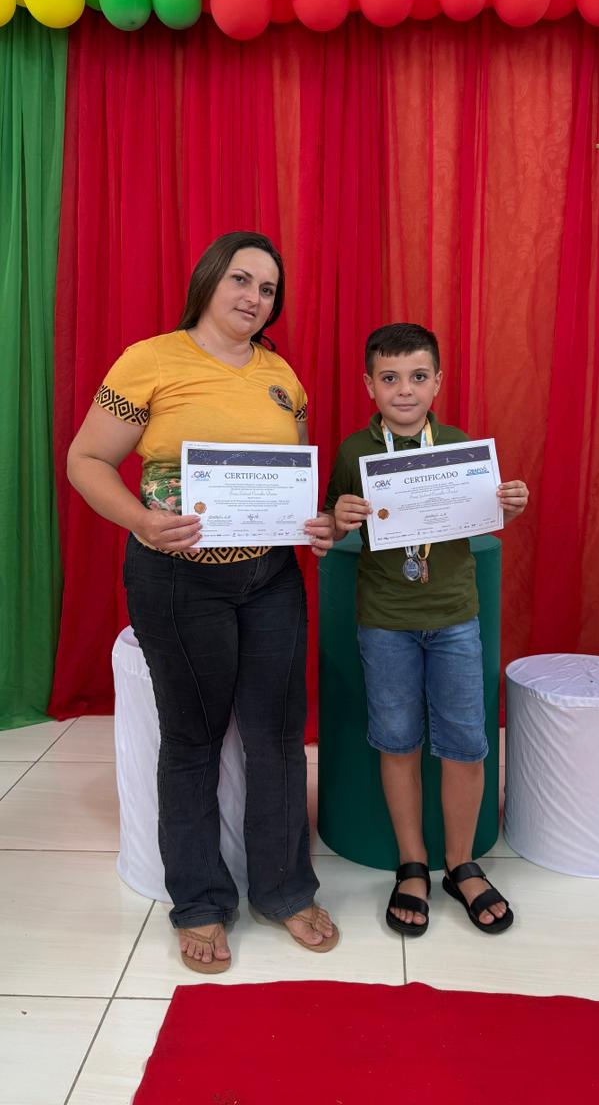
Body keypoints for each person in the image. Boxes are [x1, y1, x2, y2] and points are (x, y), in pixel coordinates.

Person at [67, 231, 338, 973]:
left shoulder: (282, 376)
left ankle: (284, 889)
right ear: (210, 281)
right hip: (177, 579)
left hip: (271, 577)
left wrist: (313, 523)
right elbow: (85, 459)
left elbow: (293, 482)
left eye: (268, 289)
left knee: (277, 737)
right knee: (192, 740)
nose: (254, 298)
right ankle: (200, 902)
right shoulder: (150, 360)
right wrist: (140, 520)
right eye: (241, 280)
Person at [324, 323, 529, 938]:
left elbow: (484, 510)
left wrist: (509, 503)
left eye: (418, 377)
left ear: (438, 382)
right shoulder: (354, 452)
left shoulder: (461, 445)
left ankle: (461, 865)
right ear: (369, 385)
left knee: (466, 742)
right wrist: (337, 518)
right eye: (389, 378)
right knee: (397, 742)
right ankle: (412, 864)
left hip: (455, 618)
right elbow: (329, 527)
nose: (405, 390)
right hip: (385, 622)